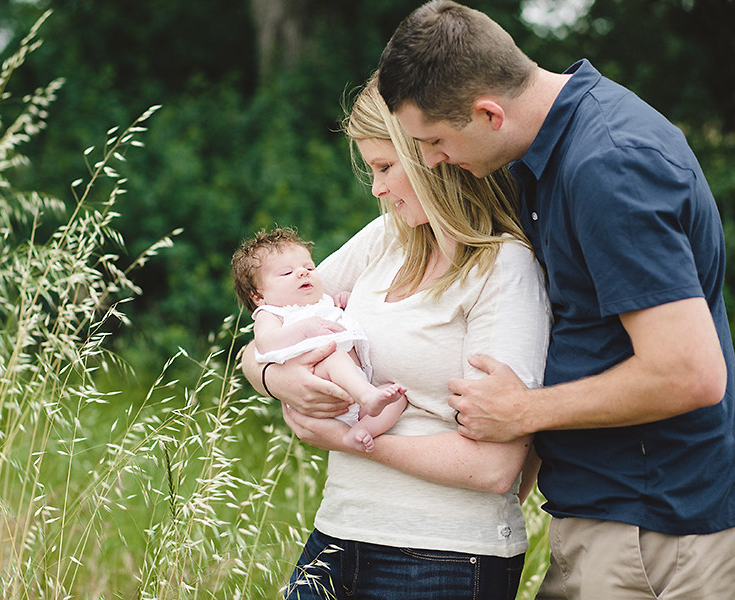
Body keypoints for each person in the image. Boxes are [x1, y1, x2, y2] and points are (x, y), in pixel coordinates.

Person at [376, 2, 735, 599]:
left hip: (654, 531)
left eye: (435, 140)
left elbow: (689, 373)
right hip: (611, 514)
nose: (434, 160)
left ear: (488, 112)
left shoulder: (610, 165)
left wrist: (524, 413)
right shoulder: (549, 152)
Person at [242, 73, 551, 599]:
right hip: (339, 533)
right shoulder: (389, 237)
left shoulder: (504, 269)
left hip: (444, 555)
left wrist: (349, 441)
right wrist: (274, 377)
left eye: (385, 167)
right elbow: (270, 320)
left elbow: (496, 468)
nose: (378, 189)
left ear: (434, 157)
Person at [231, 226, 408, 452]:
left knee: (398, 397)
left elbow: (336, 315)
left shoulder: (322, 301)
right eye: (286, 273)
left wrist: (347, 301)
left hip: (352, 388)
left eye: (309, 267)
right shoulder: (271, 314)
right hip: (319, 378)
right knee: (334, 356)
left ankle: (359, 432)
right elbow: (265, 343)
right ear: (259, 296)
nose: (303, 273)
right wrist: (304, 329)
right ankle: (367, 397)